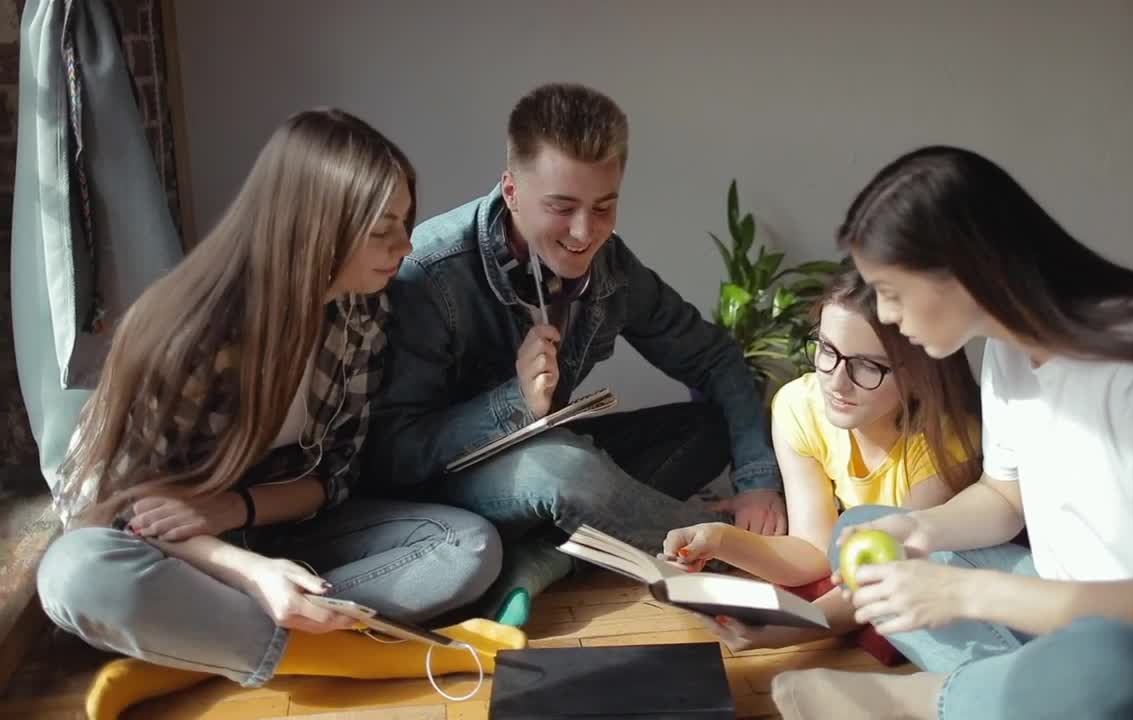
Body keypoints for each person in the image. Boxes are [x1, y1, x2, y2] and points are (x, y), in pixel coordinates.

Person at [36, 110, 520, 720]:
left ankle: (182, 650)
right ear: (316, 226)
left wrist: (234, 511)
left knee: (467, 545)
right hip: (183, 554)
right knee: (75, 577)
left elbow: (337, 477)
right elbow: (102, 504)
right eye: (383, 229)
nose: (405, 246)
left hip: (279, 530)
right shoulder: (187, 331)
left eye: (406, 222)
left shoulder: (359, 316)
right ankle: (353, 653)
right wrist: (250, 573)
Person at [771, 146, 1133, 720]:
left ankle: (921, 702)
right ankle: (1008, 695)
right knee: (864, 536)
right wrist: (916, 528)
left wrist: (967, 594)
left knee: (1105, 666)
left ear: (961, 270)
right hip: (1073, 620)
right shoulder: (1010, 351)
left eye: (890, 292)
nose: (886, 317)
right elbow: (1003, 497)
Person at [367, 83, 786, 626]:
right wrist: (512, 402)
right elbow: (390, 457)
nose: (585, 233)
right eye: (561, 209)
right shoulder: (429, 273)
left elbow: (714, 358)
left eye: (604, 207)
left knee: (707, 425)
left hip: (557, 465)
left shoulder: (611, 265)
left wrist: (757, 482)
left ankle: (541, 560)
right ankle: (733, 555)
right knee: (564, 471)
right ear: (512, 191)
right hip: (444, 499)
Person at [664, 268, 980, 650]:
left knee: (858, 530)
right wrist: (718, 539)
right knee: (845, 540)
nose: (836, 381)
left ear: (919, 371)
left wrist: (792, 629)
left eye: (867, 365)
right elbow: (812, 552)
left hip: (935, 573)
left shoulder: (945, 440)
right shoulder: (801, 406)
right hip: (870, 565)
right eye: (827, 350)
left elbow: (893, 573)